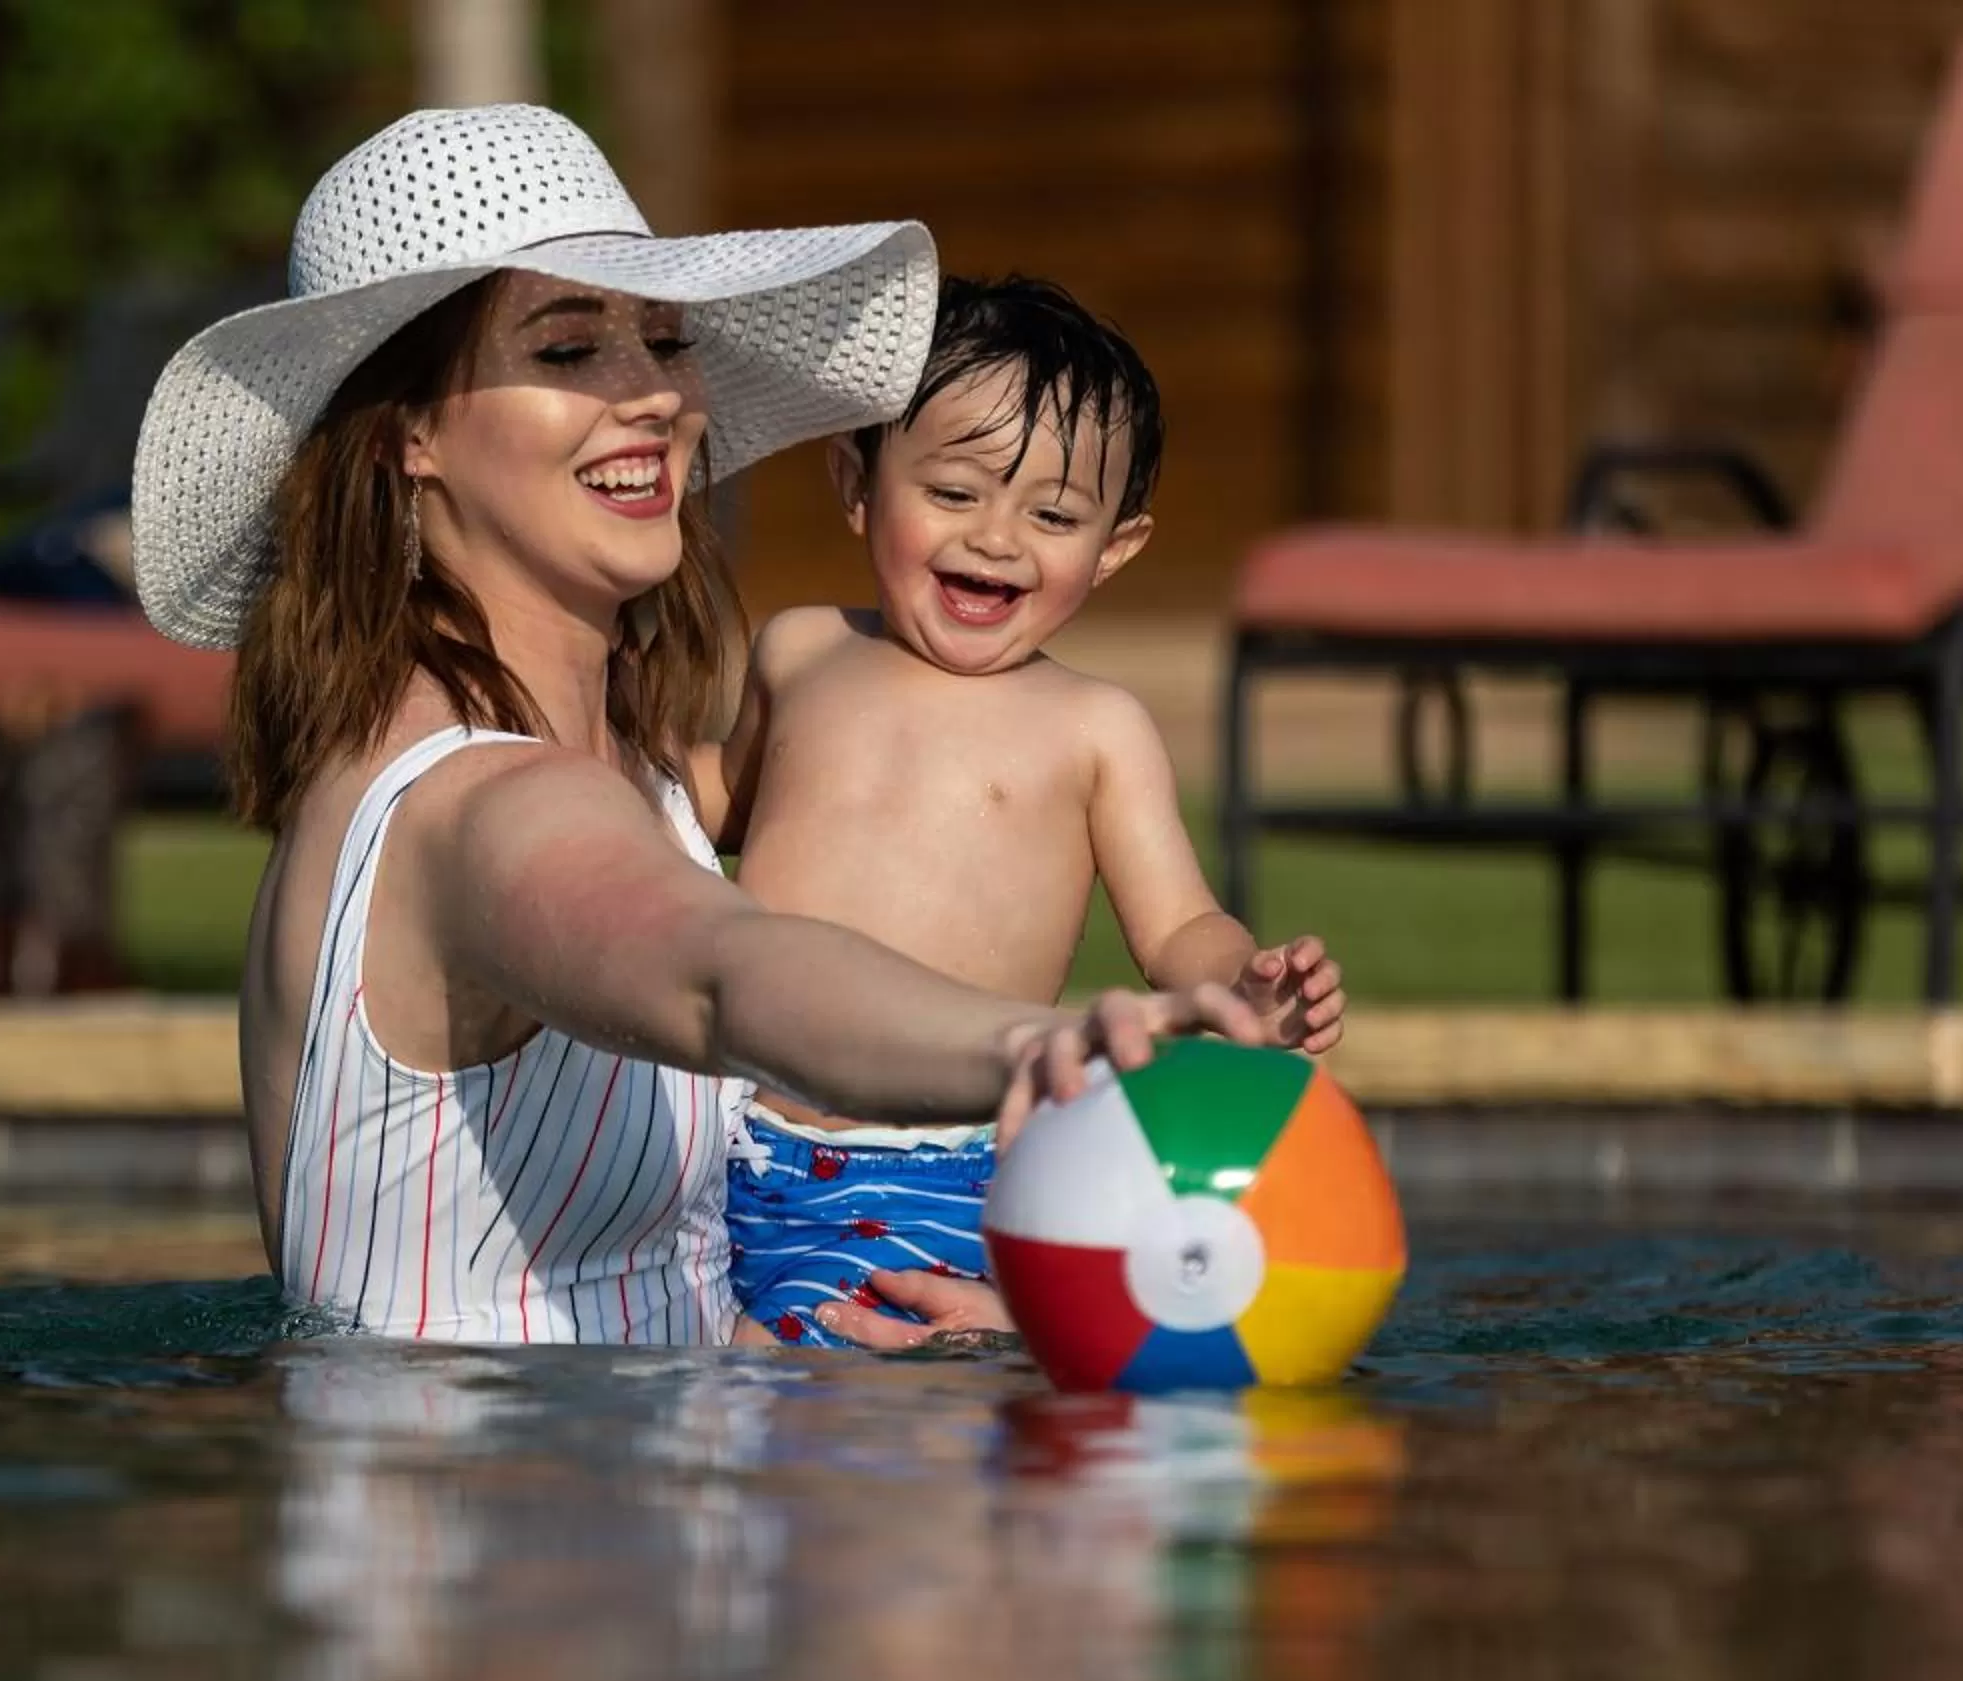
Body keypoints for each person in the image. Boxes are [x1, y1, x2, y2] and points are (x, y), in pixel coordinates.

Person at [128, 104, 1265, 1348]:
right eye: (570, 349)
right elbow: (724, 977)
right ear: (410, 432)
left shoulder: (639, 777)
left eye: (665, 340)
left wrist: (803, 1352)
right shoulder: (483, 800)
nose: (654, 393)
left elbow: (627, 1288)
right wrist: (1044, 1044)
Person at [692, 276, 1347, 1346]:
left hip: (952, 1161)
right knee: (722, 1366)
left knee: (866, 1379)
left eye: (1052, 516)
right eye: (955, 493)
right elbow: (727, 798)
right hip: (734, 1143)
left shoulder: (1094, 729)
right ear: (857, 484)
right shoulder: (802, 650)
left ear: (1113, 548)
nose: (997, 539)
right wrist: (603, 761)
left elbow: (1177, 925)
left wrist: (1241, 988)